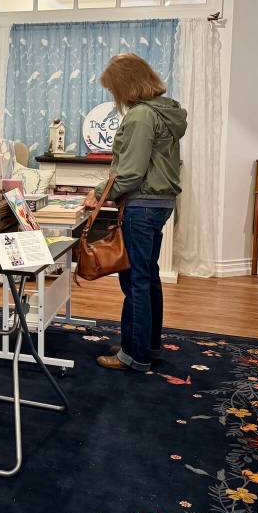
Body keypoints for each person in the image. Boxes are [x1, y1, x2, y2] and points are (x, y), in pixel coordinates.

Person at [82, 53, 187, 373]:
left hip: (142, 205)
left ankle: (135, 355)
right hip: (159, 203)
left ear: (126, 85)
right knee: (148, 277)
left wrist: (98, 194)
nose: (114, 97)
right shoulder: (164, 111)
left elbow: (130, 173)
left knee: (136, 281)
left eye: (114, 89)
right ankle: (145, 344)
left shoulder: (141, 116)